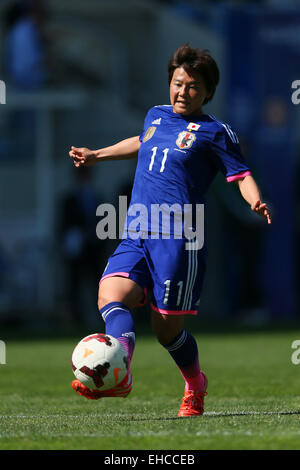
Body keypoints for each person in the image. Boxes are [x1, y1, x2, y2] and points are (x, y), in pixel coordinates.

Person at [69, 44, 271, 417]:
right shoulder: (156, 116)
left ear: (208, 92)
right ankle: (122, 370)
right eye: (178, 83)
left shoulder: (216, 132)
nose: (183, 91)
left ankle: (195, 384)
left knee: (166, 331)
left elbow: (240, 175)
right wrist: (97, 154)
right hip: (137, 230)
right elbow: (142, 142)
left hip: (179, 239)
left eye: (193, 86)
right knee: (110, 294)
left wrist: (254, 200)